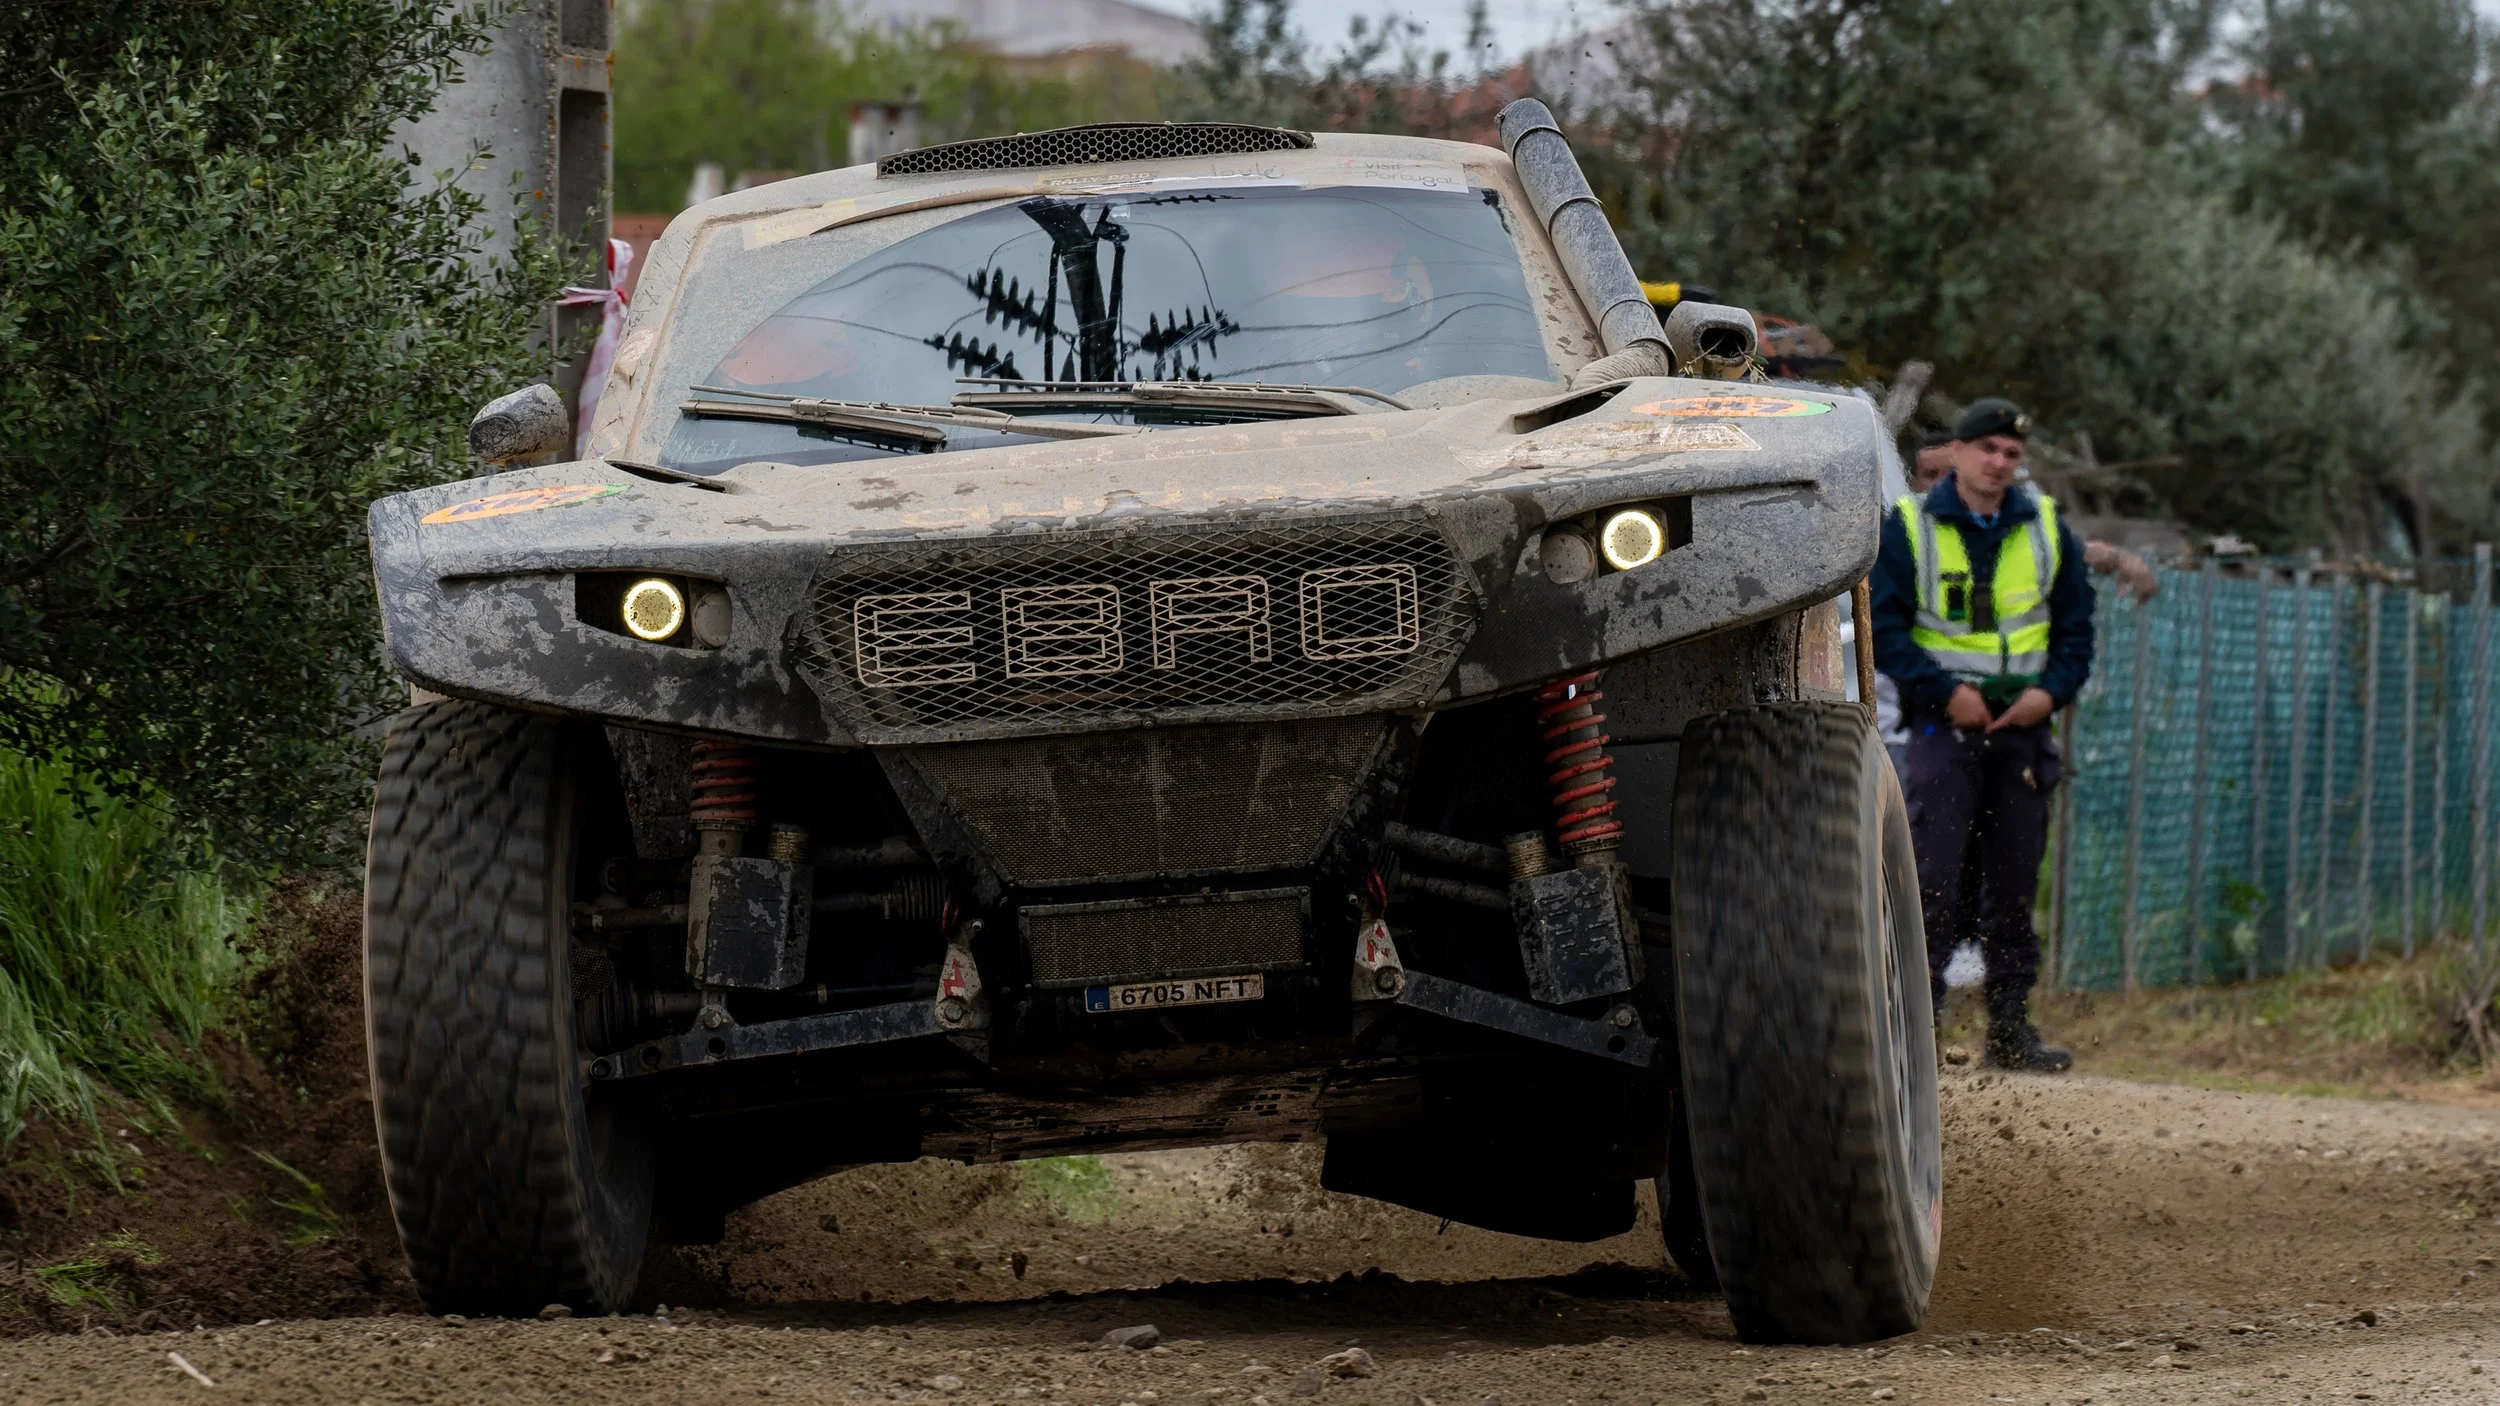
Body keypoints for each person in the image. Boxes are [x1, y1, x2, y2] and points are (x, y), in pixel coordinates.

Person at [1870, 398, 2095, 1072]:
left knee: (2014, 886)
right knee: (1932, 883)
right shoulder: (1909, 526)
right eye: (1988, 449)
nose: (1998, 463)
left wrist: (2048, 694)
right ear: (1961, 453)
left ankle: (2010, 1030)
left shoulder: (2048, 528)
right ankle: (1917, 1030)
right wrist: (1946, 693)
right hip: (1943, 729)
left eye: (2011, 454)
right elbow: (1885, 629)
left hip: (2022, 733)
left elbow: (2076, 631)